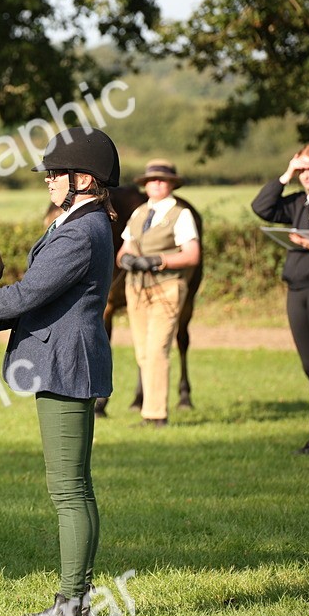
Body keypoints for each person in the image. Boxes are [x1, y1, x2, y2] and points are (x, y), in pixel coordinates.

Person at [0, 126, 117, 616]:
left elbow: (26, 295)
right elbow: (37, 295)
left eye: (57, 173)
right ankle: (77, 601)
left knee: (69, 490)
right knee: (75, 487)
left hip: (66, 363)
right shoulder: (79, 223)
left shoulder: (80, 231)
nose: (49, 180)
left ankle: (72, 605)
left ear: (84, 179)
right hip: (67, 358)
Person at [252, 144, 309, 455]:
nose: (305, 175)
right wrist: (286, 174)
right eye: (301, 171)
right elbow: (262, 207)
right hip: (297, 289)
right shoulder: (299, 202)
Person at [114, 160, 200, 427]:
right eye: (152, 180)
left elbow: (192, 255)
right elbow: (124, 250)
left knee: (157, 350)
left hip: (167, 287)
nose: (157, 184)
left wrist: (158, 260)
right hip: (136, 289)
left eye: (162, 180)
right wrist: (127, 260)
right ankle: (150, 410)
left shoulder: (181, 214)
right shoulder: (139, 213)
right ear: (145, 185)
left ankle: (155, 414)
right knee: (142, 351)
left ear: (172, 184)